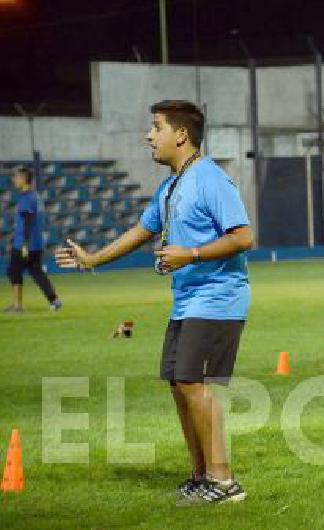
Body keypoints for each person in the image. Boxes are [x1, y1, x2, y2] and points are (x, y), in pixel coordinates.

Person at [56, 100, 252, 505]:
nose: (149, 135)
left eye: (156, 127)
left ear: (180, 134)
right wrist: (92, 259)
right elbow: (140, 231)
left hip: (217, 299)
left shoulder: (210, 179)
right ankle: (201, 476)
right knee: (179, 387)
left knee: (194, 384)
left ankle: (224, 482)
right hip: (186, 301)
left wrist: (191, 255)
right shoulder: (171, 186)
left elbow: (243, 237)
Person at [4, 166, 62, 313]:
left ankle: (17, 306)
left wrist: (24, 243)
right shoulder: (35, 196)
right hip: (36, 244)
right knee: (37, 273)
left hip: (25, 244)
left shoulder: (26, 198)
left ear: (24, 179)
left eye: (16, 177)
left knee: (13, 271)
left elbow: (28, 220)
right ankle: (54, 300)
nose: (14, 180)